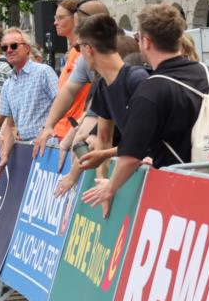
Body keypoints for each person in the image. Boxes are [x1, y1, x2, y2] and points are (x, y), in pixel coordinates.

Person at [83, 3, 209, 216]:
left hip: (177, 192)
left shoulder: (151, 89)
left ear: (145, 42)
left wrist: (109, 187)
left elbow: (132, 155)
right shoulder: (208, 73)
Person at [56, 14, 151, 193]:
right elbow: (104, 140)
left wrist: (108, 185)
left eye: (78, 47)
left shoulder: (137, 79)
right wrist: (102, 183)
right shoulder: (102, 85)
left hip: (158, 173)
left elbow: (142, 142)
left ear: (88, 49)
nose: (78, 53)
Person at [0, 30, 58, 177]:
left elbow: (60, 102)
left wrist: (46, 129)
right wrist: (4, 156)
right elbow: (9, 125)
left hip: (48, 147)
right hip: (24, 150)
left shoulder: (43, 71)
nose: (9, 50)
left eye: (14, 46)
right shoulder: (8, 84)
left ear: (27, 48)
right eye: (5, 48)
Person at [31, 0, 104, 155]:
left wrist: (76, 135)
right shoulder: (76, 53)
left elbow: (96, 104)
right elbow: (68, 91)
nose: (54, 23)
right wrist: (49, 125)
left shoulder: (87, 54)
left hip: (85, 132)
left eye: (60, 18)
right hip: (69, 132)